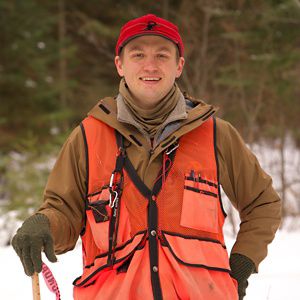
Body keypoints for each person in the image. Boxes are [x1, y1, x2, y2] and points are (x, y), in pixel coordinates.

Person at [12, 14, 281, 300]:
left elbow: (262, 203)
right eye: (138, 54)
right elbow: (64, 214)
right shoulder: (87, 138)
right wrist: (44, 224)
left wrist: (242, 263)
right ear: (119, 64)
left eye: (162, 55)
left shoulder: (216, 135)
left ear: (179, 66)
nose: (150, 66)